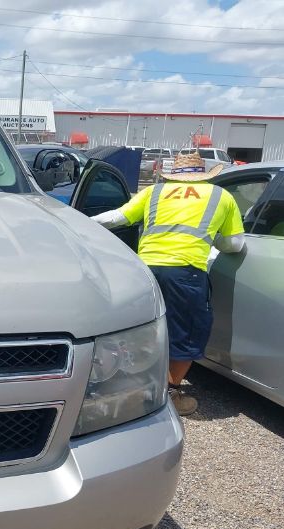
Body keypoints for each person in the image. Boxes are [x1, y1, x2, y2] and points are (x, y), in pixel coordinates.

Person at [92, 151, 245, 416]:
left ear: (173, 174)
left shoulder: (154, 192)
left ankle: (120, 387)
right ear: (204, 174)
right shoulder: (221, 196)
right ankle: (170, 393)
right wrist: (214, 240)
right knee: (185, 333)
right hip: (185, 274)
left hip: (144, 271)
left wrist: (78, 222)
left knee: (140, 329)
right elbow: (235, 243)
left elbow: (118, 217)